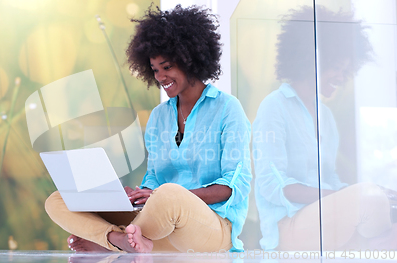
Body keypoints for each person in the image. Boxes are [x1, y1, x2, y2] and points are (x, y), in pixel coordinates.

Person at [45, 5, 252, 253]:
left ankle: (107, 242)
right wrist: (137, 195)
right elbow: (153, 178)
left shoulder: (228, 109)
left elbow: (232, 187)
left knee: (169, 195)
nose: (160, 77)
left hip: (211, 230)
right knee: (59, 199)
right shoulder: (159, 117)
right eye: (154, 70)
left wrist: (165, 196)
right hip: (159, 226)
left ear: (191, 60)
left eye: (167, 67)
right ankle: (122, 240)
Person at [253, 5, 396, 251]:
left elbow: (330, 179)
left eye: (345, 71)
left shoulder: (326, 117)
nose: (341, 77)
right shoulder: (274, 106)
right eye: (336, 68)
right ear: (311, 61)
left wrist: (357, 194)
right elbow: (273, 186)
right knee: (370, 201)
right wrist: (346, 198)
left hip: (324, 220)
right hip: (287, 228)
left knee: (382, 207)